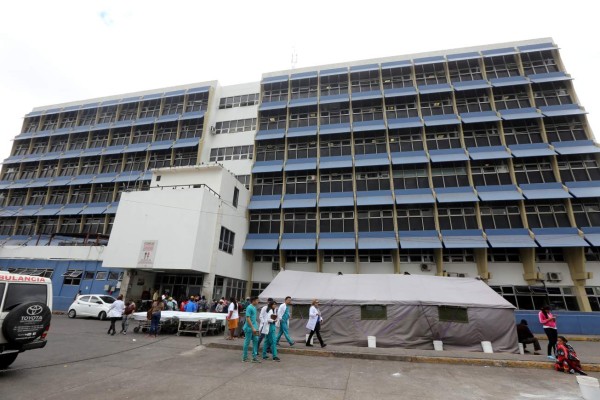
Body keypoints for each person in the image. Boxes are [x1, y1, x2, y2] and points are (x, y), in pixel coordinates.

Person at [242, 296, 261, 363]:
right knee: (247, 342)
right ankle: (244, 357)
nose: (258, 302)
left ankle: (254, 357)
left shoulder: (254, 307)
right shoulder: (249, 307)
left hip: (255, 328)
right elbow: (248, 318)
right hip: (249, 328)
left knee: (256, 341)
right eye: (257, 300)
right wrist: (252, 327)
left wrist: (255, 327)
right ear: (253, 301)